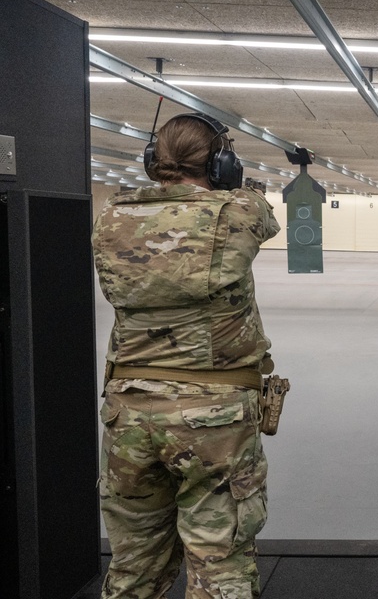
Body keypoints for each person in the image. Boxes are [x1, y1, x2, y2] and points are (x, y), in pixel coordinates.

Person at [93, 113, 280, 599]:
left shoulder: (112, 215)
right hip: (213, 418)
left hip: (128, 411)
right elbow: (261, 212)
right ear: (222, 165)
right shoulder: (239, 210)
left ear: (154, 161)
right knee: (220, 565)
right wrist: (236, 184)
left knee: (133, 565)